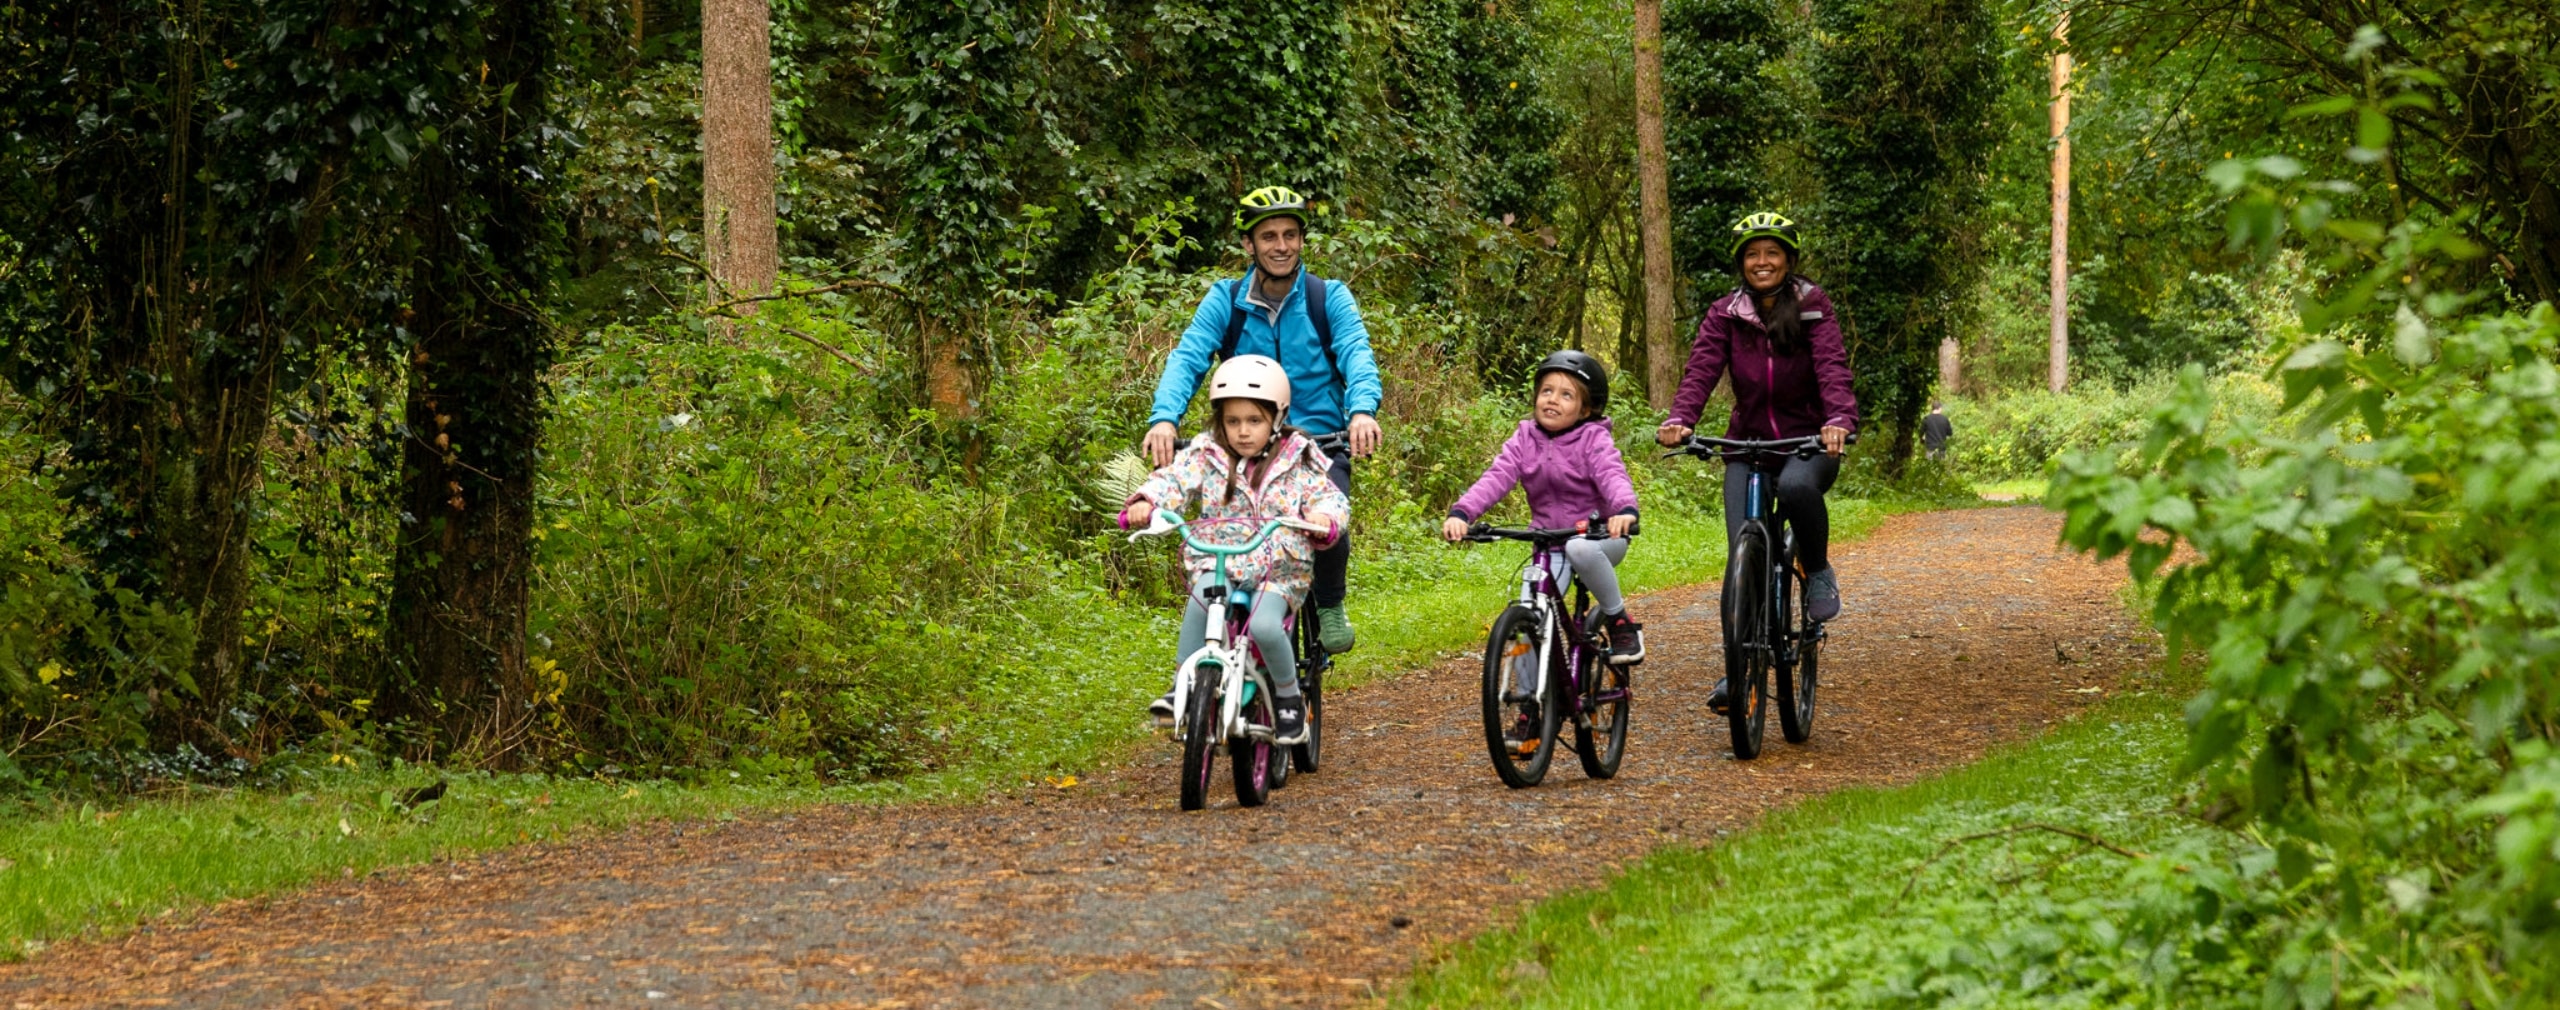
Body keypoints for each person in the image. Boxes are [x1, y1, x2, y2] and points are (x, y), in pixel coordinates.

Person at [1145, 186, 1382, 658]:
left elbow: (1357, 354)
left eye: (1290, 235)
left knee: (1327, 523)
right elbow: (1189, 357)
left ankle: (1329, 603)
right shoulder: (1226, 300)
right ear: (1248, 244)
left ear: (1301, 240)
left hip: (1317, 441)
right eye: (1269, 236)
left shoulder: (1327, 298)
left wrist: (1361, 411)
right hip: (1246, 440)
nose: (1281, 245)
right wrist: (1164, 419)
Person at [1655, 211, 1858, 711]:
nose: (1762, 262)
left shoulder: (1812, 306)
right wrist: (1681, 418)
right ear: (1741, 263)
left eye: (1772, 253)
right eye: (1752, 254)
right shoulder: (1725, 313)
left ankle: (1818, 569)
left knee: (1796, 489)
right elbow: (1701, 368)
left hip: (1808, 442)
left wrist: (1838, 419)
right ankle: (1737, 669)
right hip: (1747, 445)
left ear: (1788, 260)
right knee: (1741, 559)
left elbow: (1832, 367)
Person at [1124, 356, 1348, 746]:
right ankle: (1182, 687)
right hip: (1220, 557)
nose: (1243, 432)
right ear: (1220, 421)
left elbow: (1328, 496)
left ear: (1277, 418)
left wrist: (1323, 517)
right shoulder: (1206, 454)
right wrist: (1146, 501)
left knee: (1265, 626)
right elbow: (1173, 479)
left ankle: (1288, 697)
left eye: (1254, 421)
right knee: (1201, 602)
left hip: (1278, 566)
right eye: (1232, 421)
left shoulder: (1298, 457)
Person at [1442, 351, 1646, 675]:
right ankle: (1527, 697)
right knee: (1527, 617)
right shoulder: (1525, 438)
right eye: (1547, 391)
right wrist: (1462, 513)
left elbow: (1612, 475)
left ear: (1585, 409)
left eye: (1566, 395)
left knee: (1579, 548)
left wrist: (1624, 510)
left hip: (1601, 536)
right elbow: (1497, 477)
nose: (1552, 399)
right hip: (1549, 542)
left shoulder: (1593, 438)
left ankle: (1618, 619)